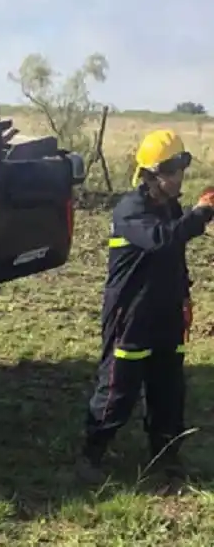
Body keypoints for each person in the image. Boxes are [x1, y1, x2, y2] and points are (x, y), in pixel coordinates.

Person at [77, 129, 214, 487]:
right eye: (171, 169)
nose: (179, 176)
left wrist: (183, 296)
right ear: (151, 174)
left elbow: (174, 254)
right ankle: (93, 452)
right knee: (118, 388)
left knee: (168, 388)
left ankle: (165, 456)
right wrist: (202, 214)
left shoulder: (170, 207)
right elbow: (161, 240)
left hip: (166, 312)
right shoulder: (130, 210)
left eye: (181, 167)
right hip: (131, 315)